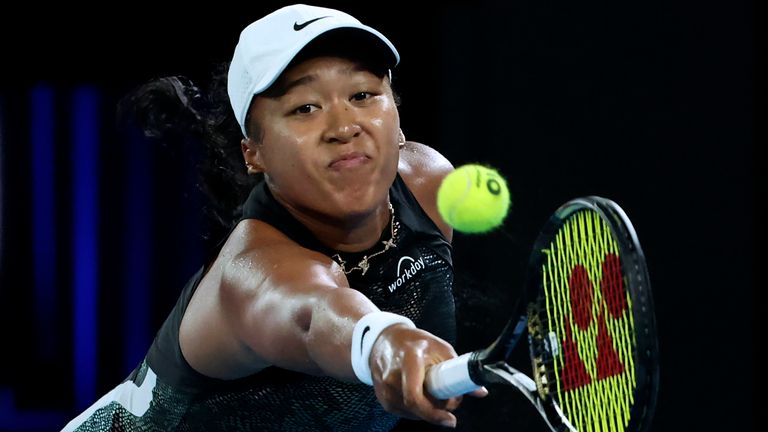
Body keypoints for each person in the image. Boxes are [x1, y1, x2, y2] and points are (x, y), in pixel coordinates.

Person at [62, 4, 487, 431]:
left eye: (362, 95)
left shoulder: (428, 186)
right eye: (304, 107)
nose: (343, 125)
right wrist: (382, 341)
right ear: (254, 152)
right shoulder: (250, 274)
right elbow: (313, 315)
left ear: (396, 118)